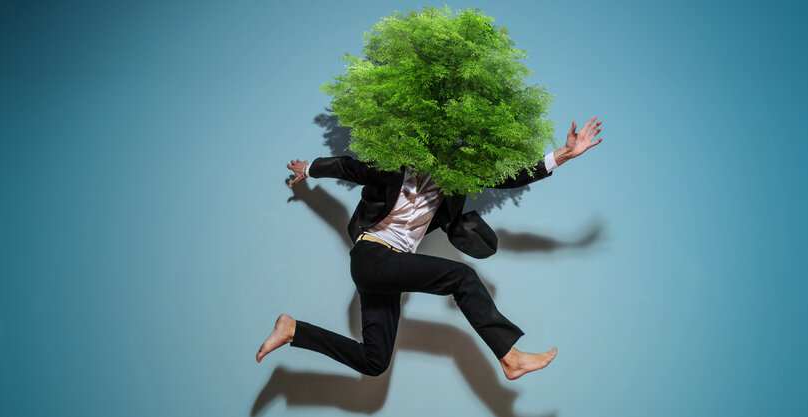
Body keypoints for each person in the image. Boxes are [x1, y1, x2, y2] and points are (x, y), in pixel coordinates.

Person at [257, 117, 603, 380]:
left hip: (388, 268)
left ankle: (293, 330)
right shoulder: (392, 167)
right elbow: (348, 166)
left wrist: (565, 154)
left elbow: (510, 175)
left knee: (374, 362)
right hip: (371, 255)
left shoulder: (456, 178)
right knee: (462, 277)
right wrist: (309, 168)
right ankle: (509, 357)